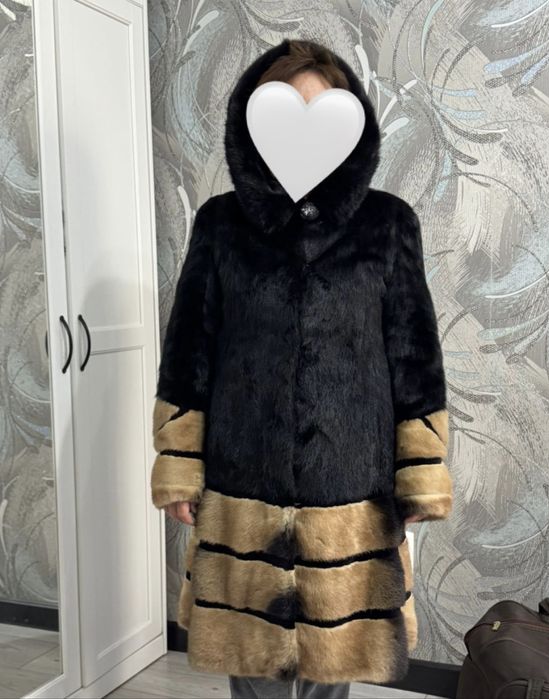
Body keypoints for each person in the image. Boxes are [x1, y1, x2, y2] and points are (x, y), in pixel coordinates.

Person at [150, 38, 452, 699]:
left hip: (352, 489)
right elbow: (187, 353)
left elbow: (416, 360)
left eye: (322, 114)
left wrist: (420, 475)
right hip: (241, 483)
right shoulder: (221, 224)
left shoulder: (387, 224)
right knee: (252, 671)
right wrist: (179, 465)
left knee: (329, 672)